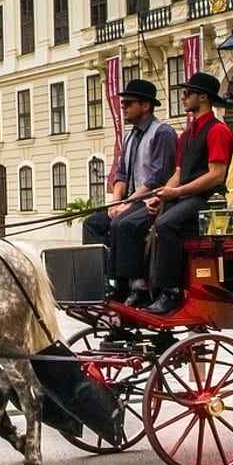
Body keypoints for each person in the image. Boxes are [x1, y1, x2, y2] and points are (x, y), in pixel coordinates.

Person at [142, 72, 233, 315]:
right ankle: (146, 287)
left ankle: (171, 290)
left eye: (187, 94)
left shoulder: (218, 131)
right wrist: (161, 194)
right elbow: (178, 172)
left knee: (166, 224)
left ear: (202, 97)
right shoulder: (186, 134)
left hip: (207, 200)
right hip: (186, 196)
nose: (182, 98)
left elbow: (216, 174)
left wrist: (177, 191)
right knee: (148, 224)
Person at [82, 79, 177, 302]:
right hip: (130, 201)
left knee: (122, 224)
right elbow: (121, 174)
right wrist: (116, 202)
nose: (122, 107)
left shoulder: (162, 133)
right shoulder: (129, 135)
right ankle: (105, 278)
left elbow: (157, 177)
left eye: (128, 103)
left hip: (153, 201)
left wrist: (126, 204)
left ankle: (136, 284)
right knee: (92, 223)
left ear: (145, 106)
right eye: (123, 103)